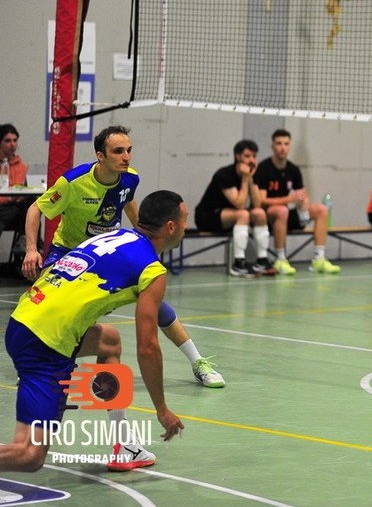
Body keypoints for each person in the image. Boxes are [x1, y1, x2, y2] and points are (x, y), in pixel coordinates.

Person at [22, 126, 224, 389]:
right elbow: (35, 208)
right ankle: (40, 364)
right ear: (100, 156)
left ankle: (198, 362)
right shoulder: (73, 182)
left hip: (108, 254)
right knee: (49, 304)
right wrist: (31, 249)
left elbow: (128, 202)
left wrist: (145, 243)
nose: (126, 157)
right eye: (118, 151)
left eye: (129, 150)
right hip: (69, 252)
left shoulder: (130, 179)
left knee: (155, 302)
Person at [1, 190, 188, 473]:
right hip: (46, 342)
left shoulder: (115, 236)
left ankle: (124, 444)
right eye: (185, 219)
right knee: (29, 455)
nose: (187, 225)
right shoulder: (152, 271)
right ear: (171, 227)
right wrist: (162, 409)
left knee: (109, 341)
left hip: (23, 319)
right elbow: (147, 348)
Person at [254, 129, 339, 275]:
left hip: (285, 215)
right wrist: (289, 199)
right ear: (272, 146)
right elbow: (261, 201)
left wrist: (304, 203)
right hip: (267, 217)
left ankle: (318, 259)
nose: (283, 148)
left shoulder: (293, 169)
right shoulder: (263, 168)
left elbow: (302, 193)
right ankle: (280, 259)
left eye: (286, 144)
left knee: (321, 210)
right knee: (282, 210)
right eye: (279, 143)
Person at [195, 138, 274, 278]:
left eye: (254, 156)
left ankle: (262, 260)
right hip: (207, 216)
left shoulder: (252, 174)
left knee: (260, 213)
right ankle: (238, 264)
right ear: (237, 156)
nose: (251, 160)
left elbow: (257, 204)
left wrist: (250, 179)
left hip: (231, 215)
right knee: (243, 214)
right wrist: (245, 179)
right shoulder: (224, 175)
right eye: (247, 156)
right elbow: (240, 204)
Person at [0, 123, 31, 241]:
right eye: (7, 141)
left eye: (15, 140)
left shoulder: (22, 166)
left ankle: (25, 241)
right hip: (4, 208)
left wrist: (21, 196)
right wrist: (8, 199)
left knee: (32, 205)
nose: (12, 144)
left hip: (17, 208)